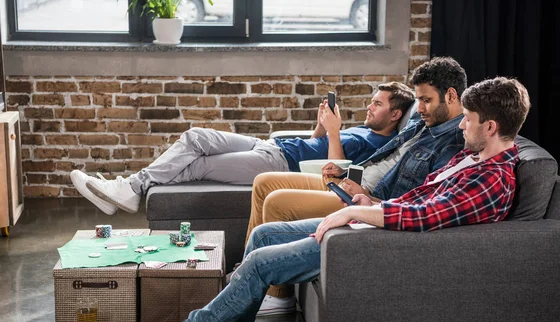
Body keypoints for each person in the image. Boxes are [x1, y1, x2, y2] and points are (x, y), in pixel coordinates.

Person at [130, 76, 530, 322]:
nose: (461, 124)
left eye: (469, 118)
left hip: (380, 243)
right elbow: (416, 196)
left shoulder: (492, 179)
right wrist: (364, 197)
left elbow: (424, 218)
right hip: (371, 225)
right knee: (267, 234)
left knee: (259, 262)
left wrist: (356, 211)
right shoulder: (471, 157)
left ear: (490, 126)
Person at [247, 56, 468, 314]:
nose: (419, 108)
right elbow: (385, 161)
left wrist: (368, 198)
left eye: (426, 100)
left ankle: (277, 295)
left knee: (278, 201)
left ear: (451, 96)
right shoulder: (423, 123)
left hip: (369, 199)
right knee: (264, 182)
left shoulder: (452, 142)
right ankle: (246, 273)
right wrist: (348, 171)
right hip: (356, 181)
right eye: (418, 100)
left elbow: (420, 197)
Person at [70, 83, 414, 215]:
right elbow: (316, 143)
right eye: (371, 101)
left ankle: (129, 189)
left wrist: (335, 134)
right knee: (195, 137)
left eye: (378, 105)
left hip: (280, 162)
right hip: (271, 144)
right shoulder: (365, 128)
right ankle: (129, 189)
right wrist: (323, 125)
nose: (370, 108)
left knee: (198, 165)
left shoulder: (380, 143)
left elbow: (334, 168)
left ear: (396, 114)